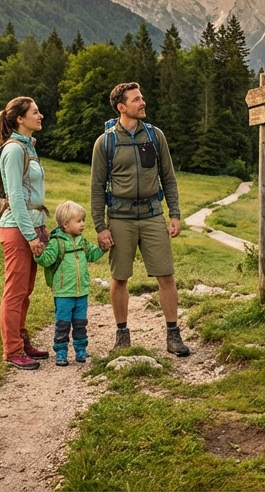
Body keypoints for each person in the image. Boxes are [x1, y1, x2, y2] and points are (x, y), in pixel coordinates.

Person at [90, 82, 189, 357]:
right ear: (122, 107)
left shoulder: (156, 136)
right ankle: (122, 335)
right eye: (136, 100)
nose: (142, 102)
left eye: (142, 97)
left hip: (152, 214)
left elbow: (168, 177)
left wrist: (175, 214)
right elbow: (97, 187)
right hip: (119, 218)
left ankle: (173, 335)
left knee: (166, 276)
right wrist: (100, 227)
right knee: (119, 277)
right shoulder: (106, 142)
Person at [0, 96, 51, 370]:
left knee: (25, 291)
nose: (40, 116)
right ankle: (12, 349)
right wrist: (31, 236)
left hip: (31, 224)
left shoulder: (29, 146)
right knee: (15, 292)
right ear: (20, 118)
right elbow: (16, 198)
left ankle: (22, 340)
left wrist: (41, 229)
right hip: (17, 229)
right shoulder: (14, 150)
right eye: (35, 112)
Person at [38, 200, 105, 366]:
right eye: (79, 221)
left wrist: (103, 248)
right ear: (66, 224)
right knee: (63, 324)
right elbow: (47, 261)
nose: (82, 224)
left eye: (83, 220)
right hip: (63, 293)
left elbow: (92, 255)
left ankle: (81, 350)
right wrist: (38, 254)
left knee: (80, 323)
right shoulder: (56, 243)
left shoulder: (82, 242)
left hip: (81, 291)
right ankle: (61, 352)